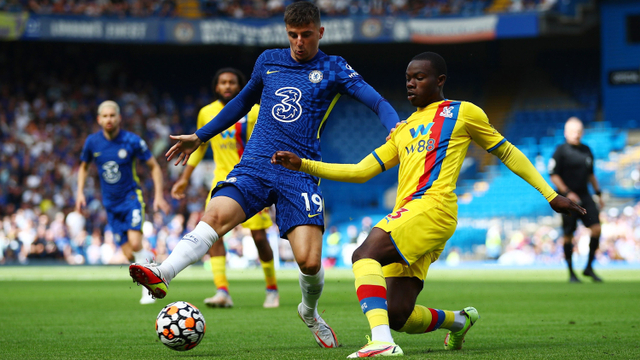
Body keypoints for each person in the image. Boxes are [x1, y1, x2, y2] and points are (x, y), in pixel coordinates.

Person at [271, 52, 586, 357]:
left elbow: (507, 152)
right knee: (397, 313)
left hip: (434, 208)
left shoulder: (463, 112)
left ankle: (381, 342)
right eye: (408, 78)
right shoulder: (403, 129)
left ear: (440, 80)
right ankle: (460, 320)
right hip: (410, 216)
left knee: (364, 254)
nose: (410, 84)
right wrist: (304, 164)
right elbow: (360, 171)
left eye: (418, 78)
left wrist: (550, 194)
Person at [129, 1, 400, 349]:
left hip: (298, 172)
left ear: (320, 32)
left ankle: (309, 311)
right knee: (214, 216)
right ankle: (162, 273)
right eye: (292, 36)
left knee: (309, 261)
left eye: (305, 35)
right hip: (255, 164)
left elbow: (377, 102)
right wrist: (200, 137)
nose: (299, 42)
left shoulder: (334, 68)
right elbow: (241, 103)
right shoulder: (268, 60)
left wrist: (396, 127)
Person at [171, 68, 280, 309]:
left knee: (259, 237)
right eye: (223, 82)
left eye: (232, 82)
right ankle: (222, 291)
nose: (228, 86)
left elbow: (263, 145)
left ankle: (272, 289)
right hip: (222, 180)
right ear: (216, 87)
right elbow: (199, 146)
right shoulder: (206, 112)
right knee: (213, 234)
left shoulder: (254, 111)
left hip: (251, 179)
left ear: (241, 86)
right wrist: (185, 177)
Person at [77, 100, 170, 304]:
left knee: (136, 242)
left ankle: (149, 287)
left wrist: (159, 195)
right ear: (99, 119)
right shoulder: (93, 142)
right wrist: (79, 192)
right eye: (105, 116)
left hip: (131, 198)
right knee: (129, 252)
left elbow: (154, 167)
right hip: (110, 204)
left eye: (113, 115)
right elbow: (83, 167)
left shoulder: (132, 140)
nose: (109, 119)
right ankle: (151, 267)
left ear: (119, 118)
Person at [549, 117, 604, 283]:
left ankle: (588, 267)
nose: (576, 134)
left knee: (596, 229)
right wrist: (567, 192)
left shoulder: (587, 150)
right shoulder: (561, 151)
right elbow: (553, 175)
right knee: (568, 234)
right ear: (566, 133)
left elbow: (591, 174)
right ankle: (571, 272)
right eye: (573, 131)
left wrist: (598, 193)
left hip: (585, 195)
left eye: (579, 131)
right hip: (567, 199)